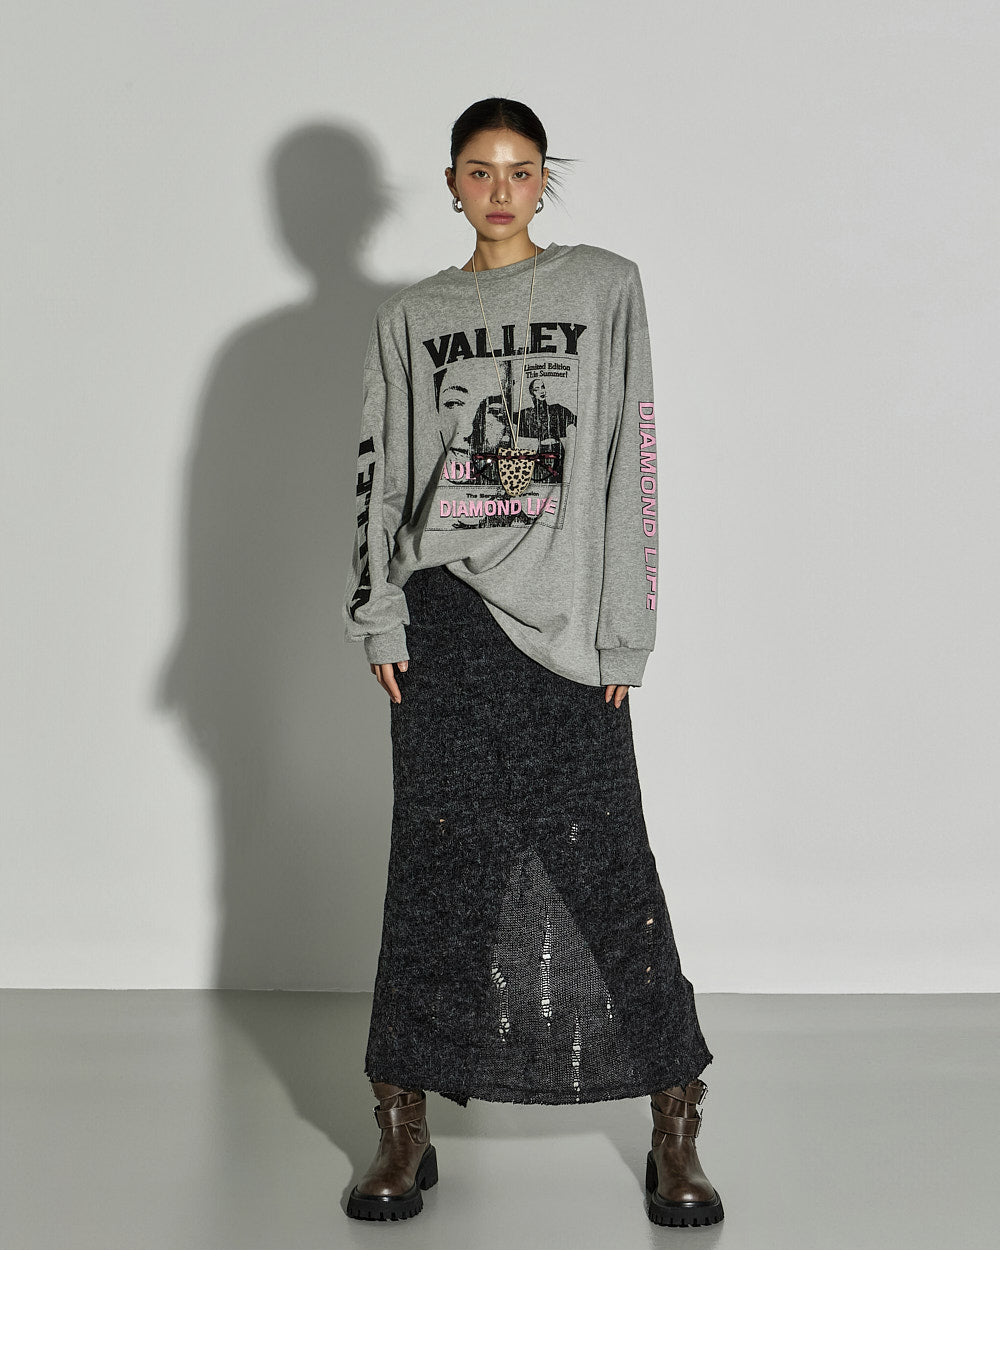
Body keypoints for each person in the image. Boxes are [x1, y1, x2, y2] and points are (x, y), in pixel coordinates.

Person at [341, 97, 723, 1229]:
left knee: (609, 868)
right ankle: (401, 1122)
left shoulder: (604, 287)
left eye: (520, 171)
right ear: (450, 182)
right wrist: (378, 616)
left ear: (544, 179)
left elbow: (629, 461)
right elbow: (381, 470)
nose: (499, 190)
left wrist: (624, 628)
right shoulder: (414, 315)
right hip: (445, 617)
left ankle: (675, 1122)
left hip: (564, 625)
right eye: (479, 170)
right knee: (435, 870)